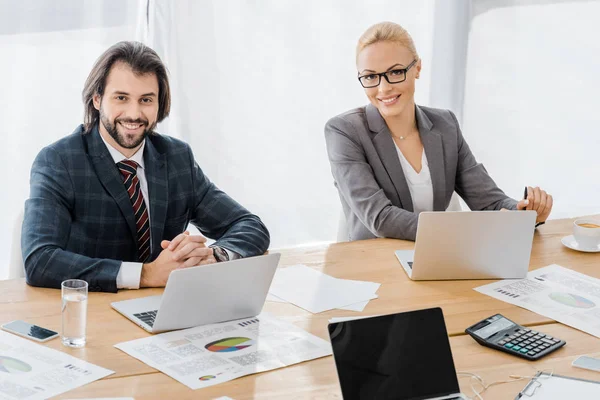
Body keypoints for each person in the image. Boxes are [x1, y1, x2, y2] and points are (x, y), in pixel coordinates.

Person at [22, 41, 270, 292]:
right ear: (97, 99)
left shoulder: (176, 157)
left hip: (165, 308)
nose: (134, 113)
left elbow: (250, 226)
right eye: (121, 98)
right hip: (94, 311)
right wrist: (146, 274)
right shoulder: (59, 161)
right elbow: (40, 260)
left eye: (146, 100)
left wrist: (214, 256)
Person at [324, 22, 553, 241]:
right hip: (375, 265)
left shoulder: (445, 124)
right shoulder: (344, 132)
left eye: (395, 72)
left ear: (418, 69)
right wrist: (464, 230)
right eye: (371, 76)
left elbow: (488, 201)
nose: (383, 88)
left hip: (437, 255)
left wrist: (524, 213)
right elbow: (380, 218)